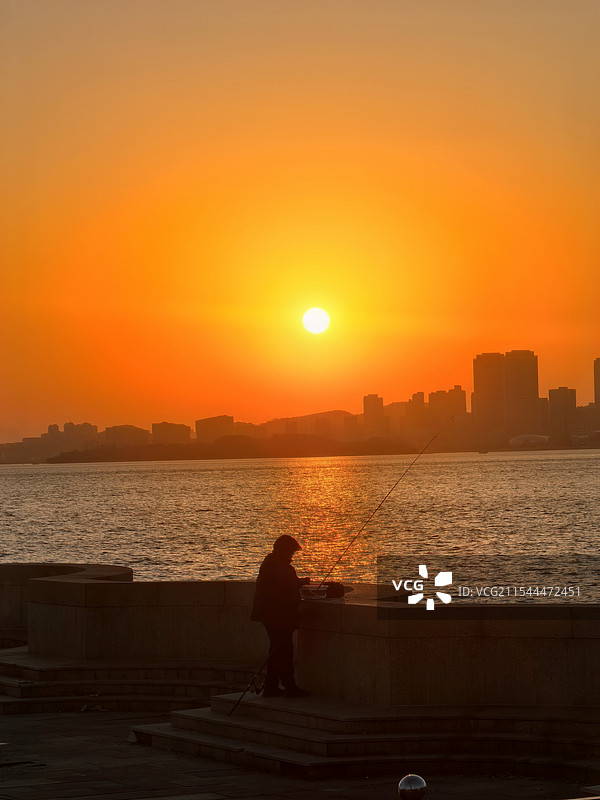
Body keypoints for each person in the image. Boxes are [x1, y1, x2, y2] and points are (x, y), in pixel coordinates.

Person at [250, 534, 311, 698]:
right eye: (291, 552)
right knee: (284, 650)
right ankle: (289, 686)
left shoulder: (274, 564)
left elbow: (285, 584)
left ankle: (271, 687)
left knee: (277, 650)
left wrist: (300, 582)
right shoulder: (275, 566)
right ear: (284, 550)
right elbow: (281, 590)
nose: (292, 555)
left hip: (274, 615)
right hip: (276, 616)